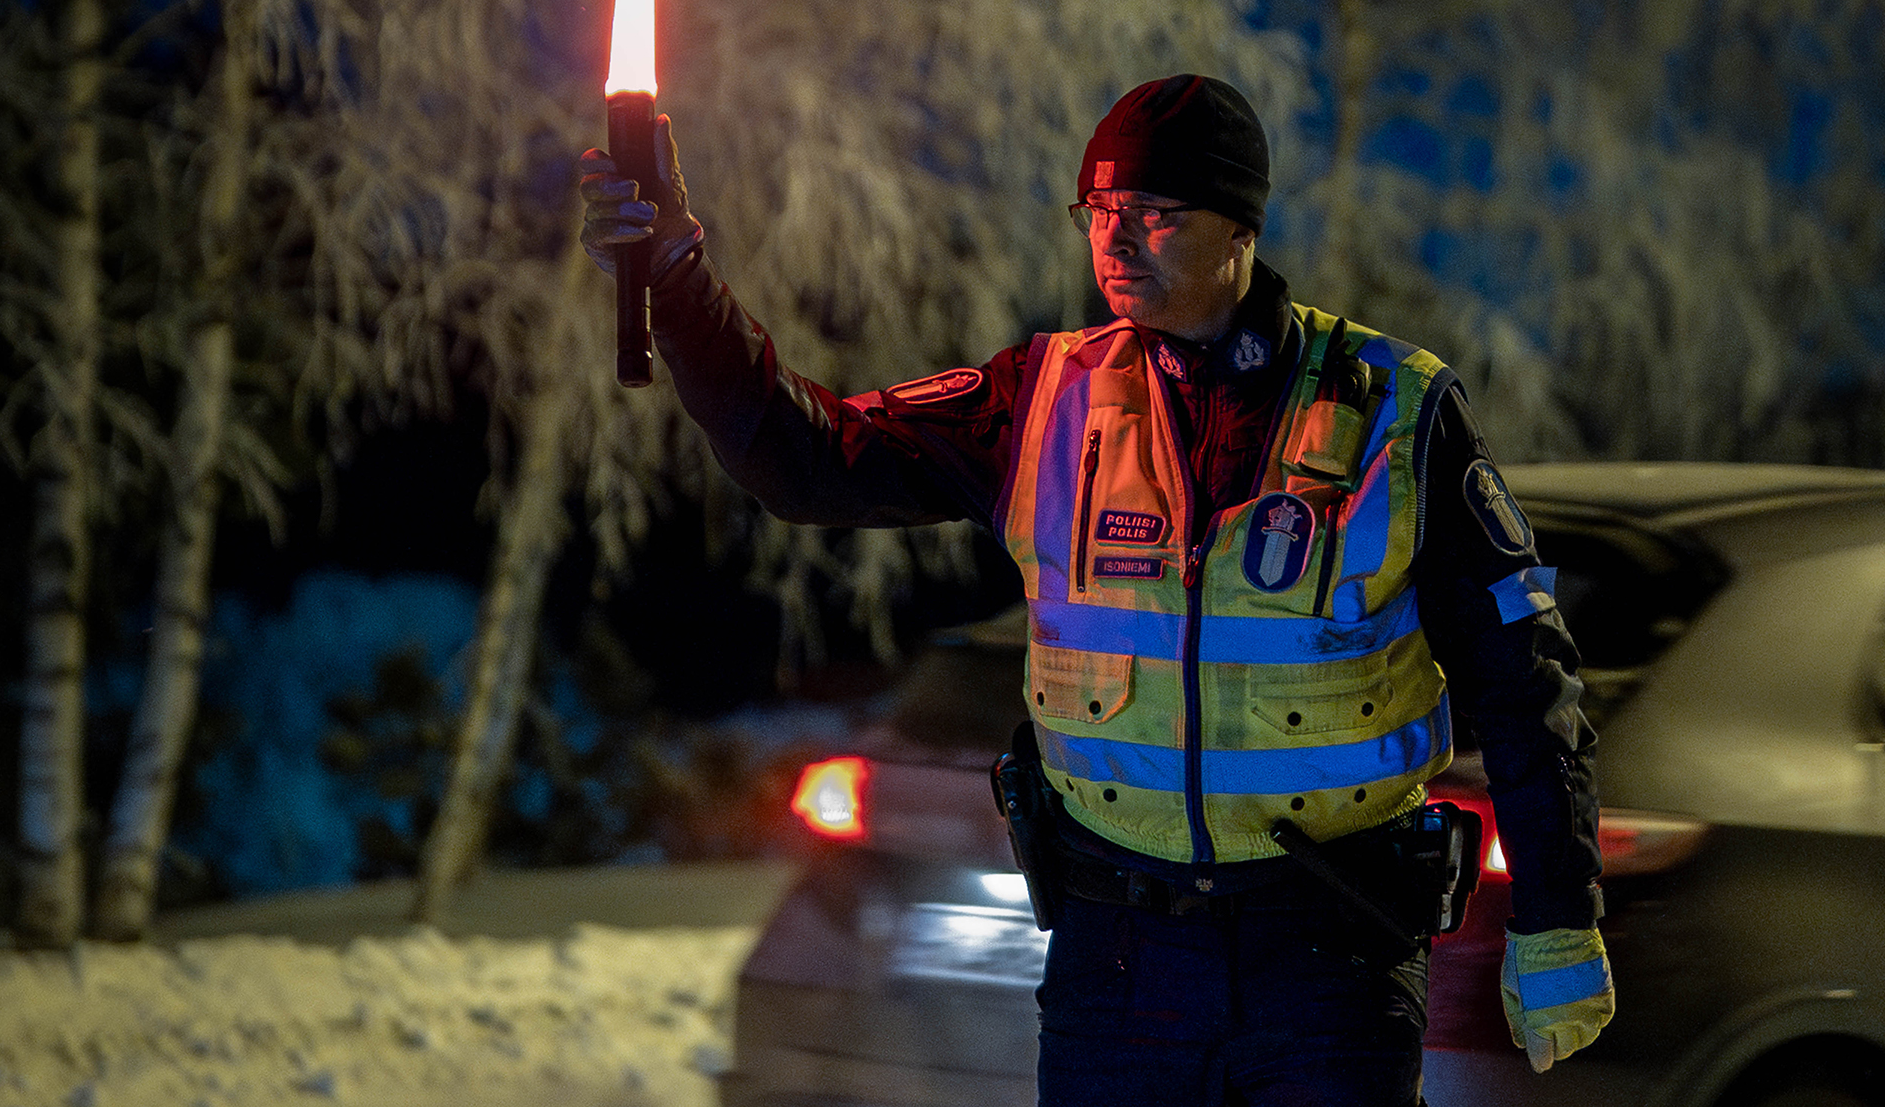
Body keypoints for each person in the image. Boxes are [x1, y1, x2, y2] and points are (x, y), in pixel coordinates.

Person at [579, 75, 1612, 1107]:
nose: (1117, 242)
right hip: (1119, 962)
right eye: (1101, 212)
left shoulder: (1398, 409)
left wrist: (1556, 914)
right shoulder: (1043, 398)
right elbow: (800, 458)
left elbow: (1520, 676)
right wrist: (675, 275)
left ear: (1240, 226)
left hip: (1328, 955)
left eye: (1157, 216)